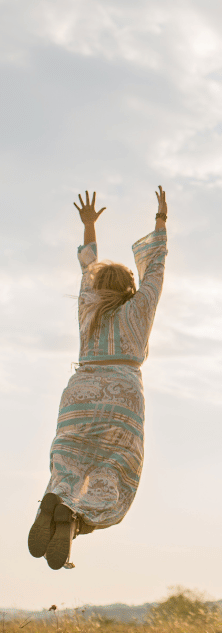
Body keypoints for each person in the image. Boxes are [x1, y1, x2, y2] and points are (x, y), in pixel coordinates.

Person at [27, 188, 168, 569]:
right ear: (130, 290)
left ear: (96, 286)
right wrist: (160, 222)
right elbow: (155, 267)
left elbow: (88, 266)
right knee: (116, 470)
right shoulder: (140, 307)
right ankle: (75, 519)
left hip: (81, 390)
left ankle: (58, 500)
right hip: (122, 394)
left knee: (69, 460)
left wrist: (89, 226)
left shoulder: (88, 306)